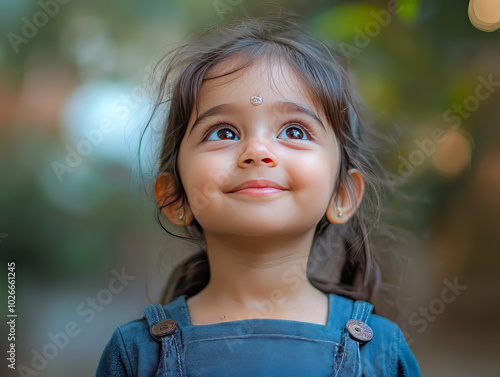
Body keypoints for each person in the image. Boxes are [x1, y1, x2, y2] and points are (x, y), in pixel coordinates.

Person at [96, 12, 421, 377]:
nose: (257, 150)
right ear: (176, 198)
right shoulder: (136, 354)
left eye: (295, 131)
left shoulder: (382, 351)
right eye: (223, 132)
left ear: (342, 194)